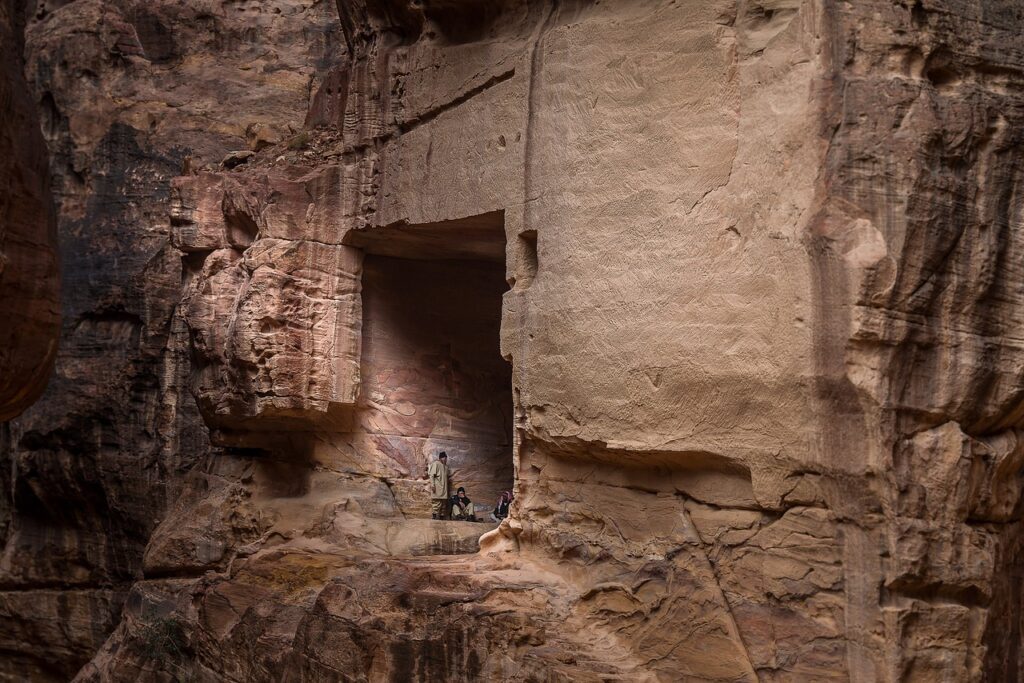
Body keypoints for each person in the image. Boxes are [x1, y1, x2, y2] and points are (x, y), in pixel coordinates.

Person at [427, 452, 450, 519]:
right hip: (437, 487)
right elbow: (431, 475)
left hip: (444, 488)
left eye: (446, 458)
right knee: (436, 503)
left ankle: (442, 517)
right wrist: (433, 485)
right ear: (440, 458)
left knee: (443, 504)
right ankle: (434, 517)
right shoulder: (436, 464)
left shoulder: (446, 467)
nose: (445, 460)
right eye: (444, 458)